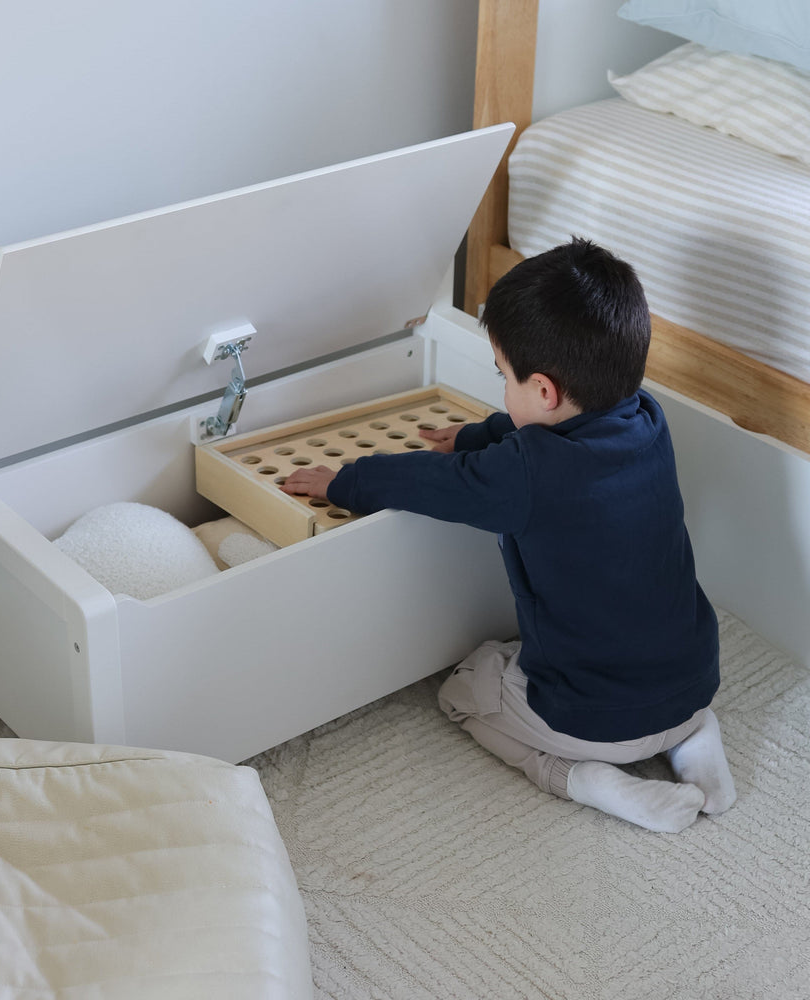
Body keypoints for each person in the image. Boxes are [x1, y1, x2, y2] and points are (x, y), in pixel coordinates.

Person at [281, 237, 736, 833]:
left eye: (504, 377)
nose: (502, 389)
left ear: (544, 391)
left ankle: (587, 779)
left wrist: (346, 479)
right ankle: (697, 745)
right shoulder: (648, 418)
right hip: (693, 682)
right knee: (635, 680)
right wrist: (478, 434)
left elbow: (434, 482)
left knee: (467, 690)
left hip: (591, 722)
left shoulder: (529, 474)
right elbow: (545, 434)